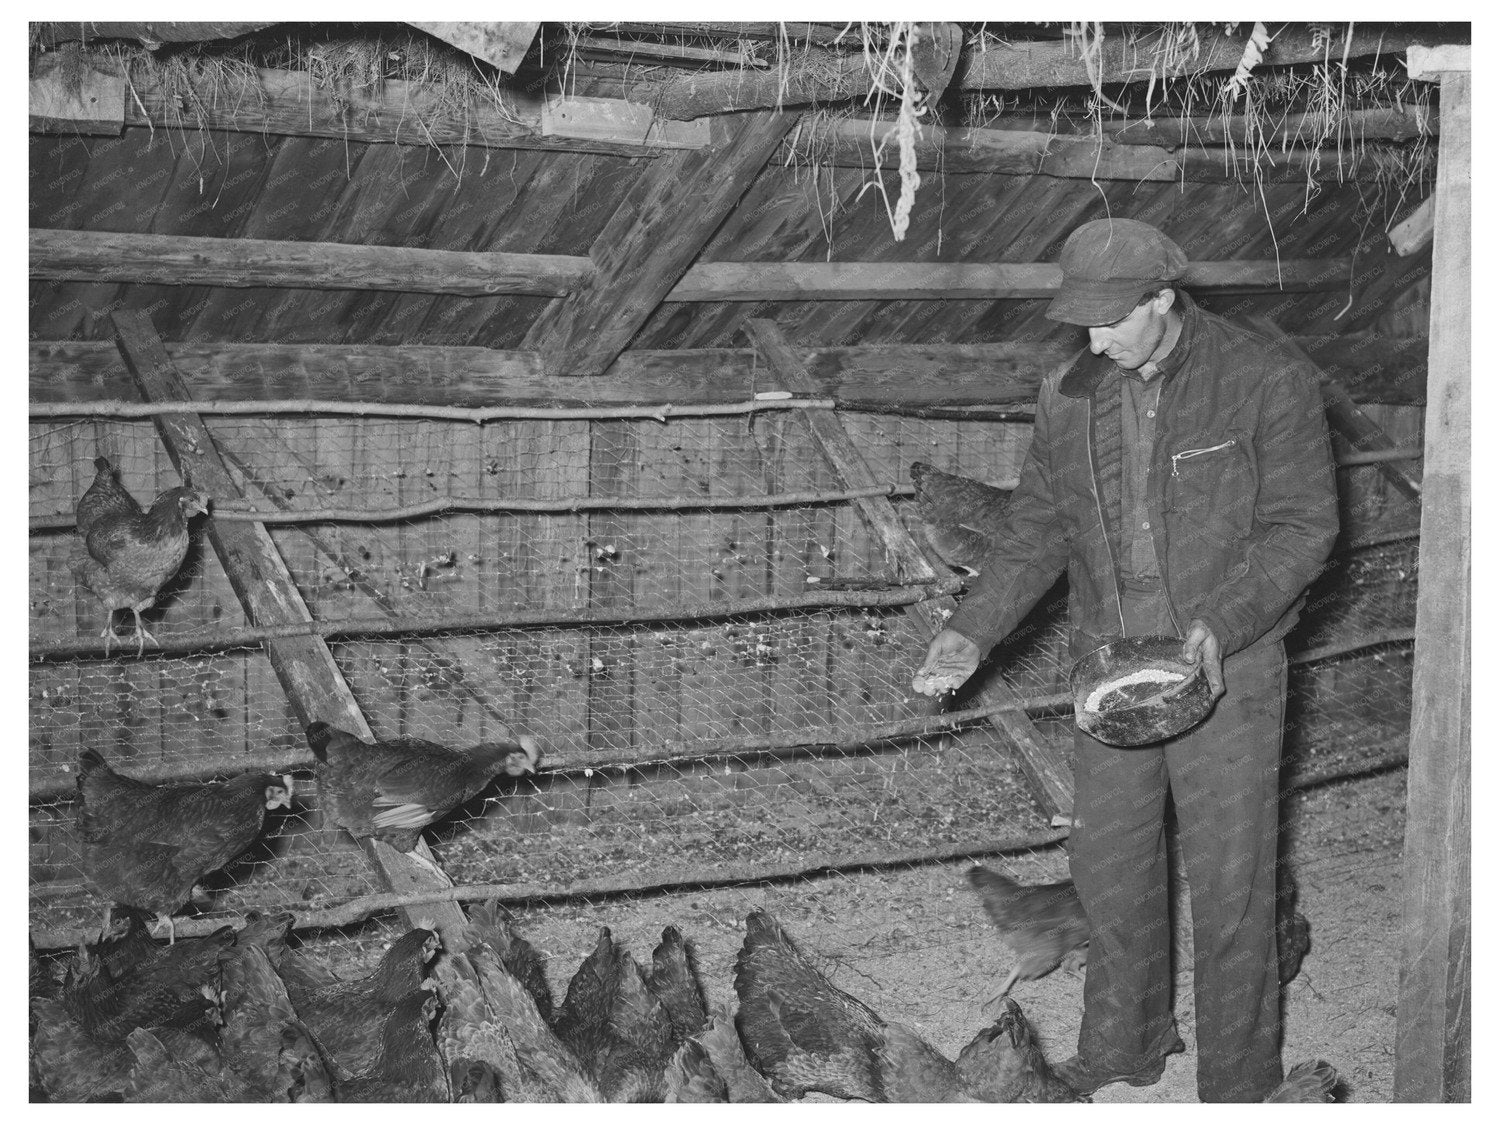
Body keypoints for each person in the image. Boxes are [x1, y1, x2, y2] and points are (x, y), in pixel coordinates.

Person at [913, 217, 1338, 1102]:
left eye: (1113, 319)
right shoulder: (1068, 391)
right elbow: (1038, 526)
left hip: (1230, 664)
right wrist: (973, 629)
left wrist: (1224, 621)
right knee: (1110, 868)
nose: (1095, 338)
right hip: (1108, 667)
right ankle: (1122, 1048)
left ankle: (1240, 1079)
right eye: (1084, 321)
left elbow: (1303, 528)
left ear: (1163, 299)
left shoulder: (1263, 379)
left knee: (1232, 882)